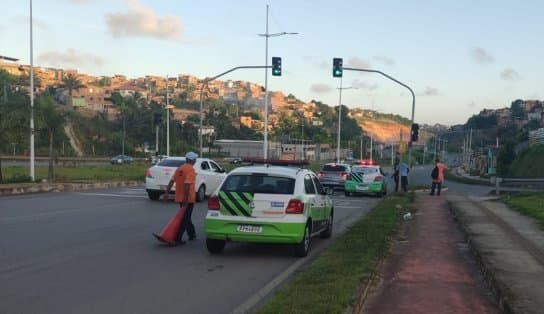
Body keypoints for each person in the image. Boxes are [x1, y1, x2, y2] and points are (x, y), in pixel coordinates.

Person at [164, 151, 198, 244]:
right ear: (193, 160)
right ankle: (177, 238)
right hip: (188, 199)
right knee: (185, 219)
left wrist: (166, 192)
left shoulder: (179, 168)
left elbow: (171, 181)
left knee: (186, 217)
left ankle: (192, 234)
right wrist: (186, 199)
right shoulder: (191, 169)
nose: (195, 160)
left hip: (179, 197)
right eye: (195, 159)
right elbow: (187, 185)